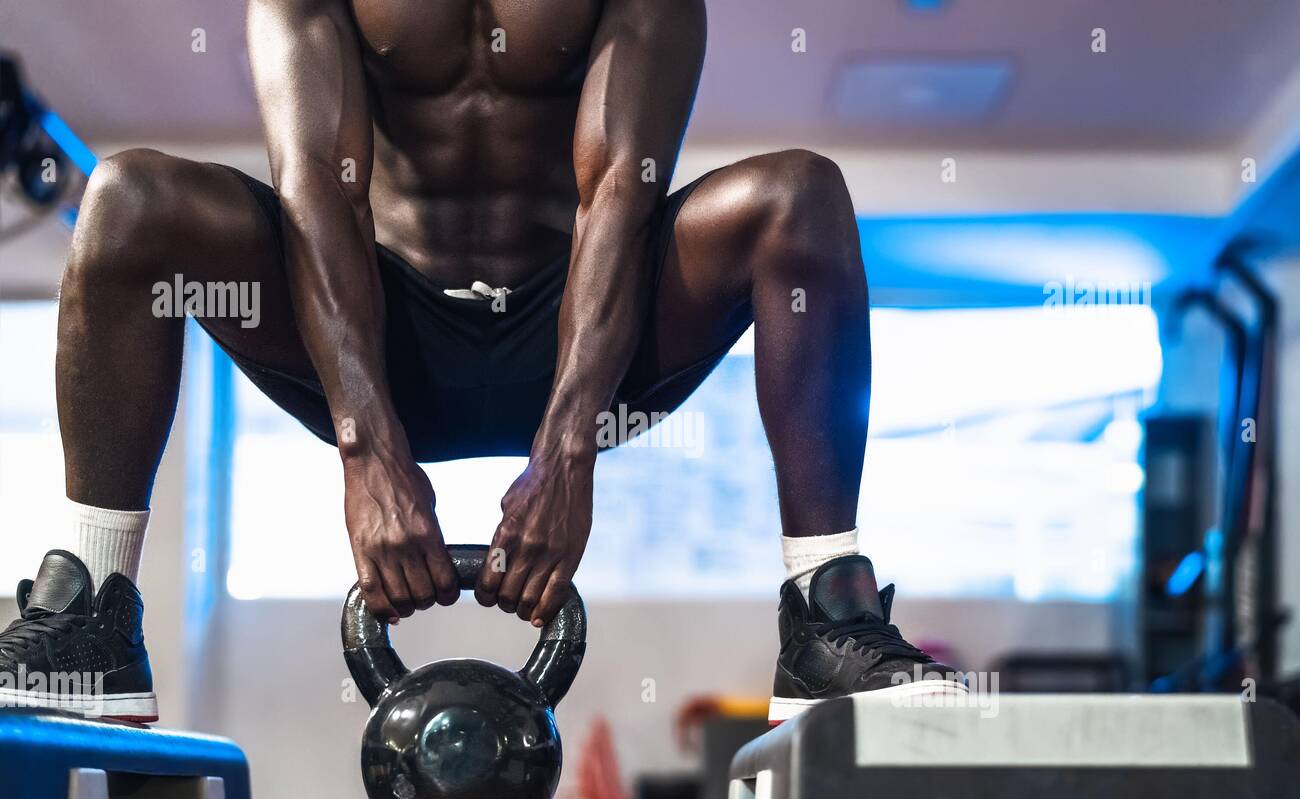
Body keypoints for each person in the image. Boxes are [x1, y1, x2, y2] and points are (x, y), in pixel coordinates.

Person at [0, 0, 962, 724]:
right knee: (129, 200)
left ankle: (823, 612)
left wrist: (569, 451)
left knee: (801, 197)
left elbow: (618, 193)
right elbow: (316, 188)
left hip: (587, 333)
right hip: (376, 338)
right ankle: (92, 610)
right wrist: (366, 451)